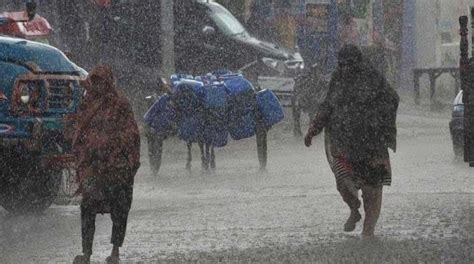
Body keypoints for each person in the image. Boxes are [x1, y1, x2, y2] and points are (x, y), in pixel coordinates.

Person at [304, 45, 399, 238]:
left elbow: (392, 100)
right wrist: (313, 129)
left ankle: (368, 232)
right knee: (344, 182)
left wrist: (380, 124)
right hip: (344, 145)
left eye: (350, 64)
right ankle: (354, 209)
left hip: (372, 145)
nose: (346, 69)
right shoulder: (338, 80)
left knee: (372, 190)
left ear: (358, 63)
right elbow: (327, 106)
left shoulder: (372, 79)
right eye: (342, 65)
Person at [72, 65, 140, 264]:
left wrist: (114, 148)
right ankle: (86, 252)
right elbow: (79, 130)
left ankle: (115, 251)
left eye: (101, 81)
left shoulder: (120, 103)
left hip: (116, 169)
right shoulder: (87, 104)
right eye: (95, 81)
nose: (98, 86)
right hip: (92, 167)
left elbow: (131, 133)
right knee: (87, 206)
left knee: (120, 208)